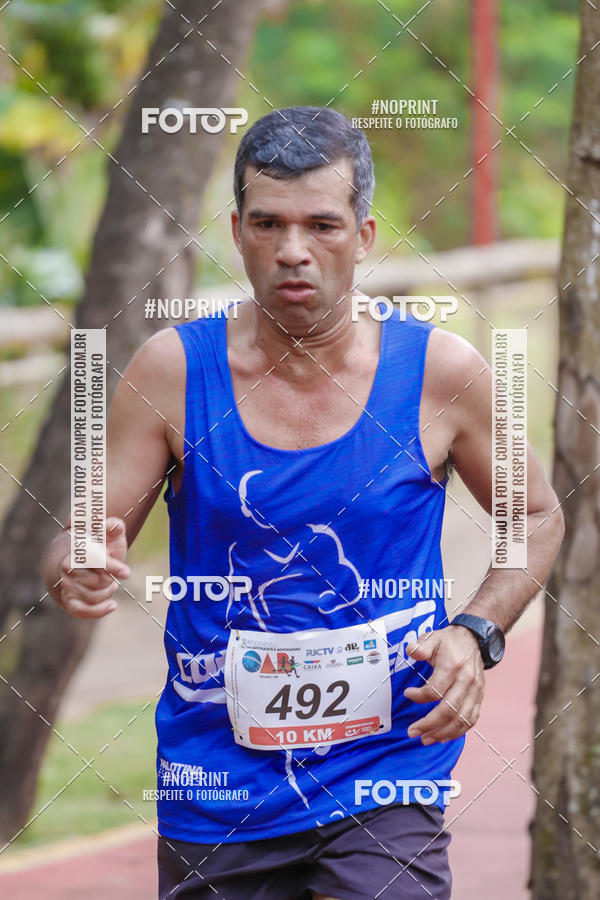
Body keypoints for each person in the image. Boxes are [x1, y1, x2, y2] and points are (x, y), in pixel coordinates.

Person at [43, 106, 564, 900]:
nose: (293, 252)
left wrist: (476, 631)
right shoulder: (172, 372)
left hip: (386, 763)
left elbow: (534, 515)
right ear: (237, 229)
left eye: (321, 224)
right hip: (216, 777)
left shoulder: (440, 373)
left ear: (363, 234)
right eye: (268, 224)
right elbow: (76, 540)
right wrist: (77, 567)